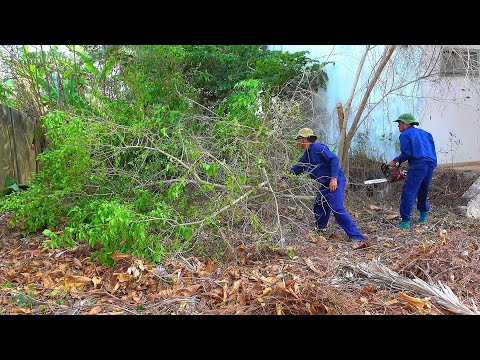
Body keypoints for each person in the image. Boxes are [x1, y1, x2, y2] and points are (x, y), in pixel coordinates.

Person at [287, 127, 365, 242]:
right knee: (319, 205)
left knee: (337, 208)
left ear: (304, 139)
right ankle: (320, 229)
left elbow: (334, 159)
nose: (297, 143)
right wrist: (283, 177)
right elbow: (297, 168)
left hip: (335, 181)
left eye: (298, 139)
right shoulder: (306, 155)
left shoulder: (318, 148)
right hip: (325, 184)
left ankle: (356, 236)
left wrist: (334, 178)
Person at [387, 113, 437, 229]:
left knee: (409, 191)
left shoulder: (405, 134)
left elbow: (407, 153)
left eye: (399, 123)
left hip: (418, 163)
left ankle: (405, 221)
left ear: (406, 123)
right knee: (423, 189)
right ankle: (423, 215)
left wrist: (396, 161)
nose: (398, 125)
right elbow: (432, 150)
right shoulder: (427, 134)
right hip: (430, 163)